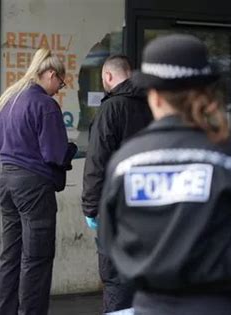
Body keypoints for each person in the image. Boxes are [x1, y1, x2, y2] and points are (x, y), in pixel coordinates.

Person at [98, 34, 231, 315]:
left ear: (153, 97)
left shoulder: (125, 162)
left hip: (149, 307)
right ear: (206, 93)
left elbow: (109, 242)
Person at [0, 48, 77, 315]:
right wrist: (71, 150)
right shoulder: (44, 104)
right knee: (37, 257)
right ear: (51, 74)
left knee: (10, 255)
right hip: (33, 187)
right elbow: (55, 154)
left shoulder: (8, 99)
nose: (58, 89)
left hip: (6, 181)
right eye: (60, 83)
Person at [81, 55, 152, 314]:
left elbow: (97, 162)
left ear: (108, 77)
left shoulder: (112, 108)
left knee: (116, 281)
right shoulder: (154, 106)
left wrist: (90, 208)